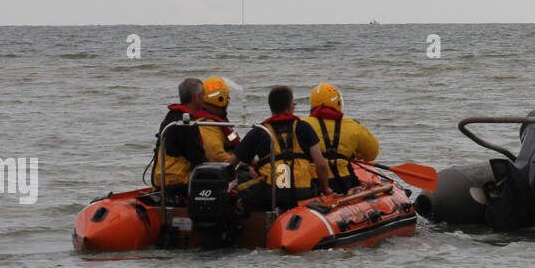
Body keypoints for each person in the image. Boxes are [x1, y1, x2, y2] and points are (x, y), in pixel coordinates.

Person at [229, 86, 332, 214]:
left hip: (271, 194)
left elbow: (231, 164)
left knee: (241, 183)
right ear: (290, 107)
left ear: (271, 107)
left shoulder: (259, 132)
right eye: (294, 103)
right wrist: (325, 188)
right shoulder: (303, 127)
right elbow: (321, 165)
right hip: (303, 192)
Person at [149, 76, 237, 202]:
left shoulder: (172, 116)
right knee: (227, 182)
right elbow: (197, 158)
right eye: (203, 95)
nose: (204, 98)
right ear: (196, 98)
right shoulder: (187, 124)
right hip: (177, 179)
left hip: (163, 176)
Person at [302, 82, 380, 194]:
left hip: (312, 182)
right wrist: (353, 153)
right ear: (337, 102)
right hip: (344, 182)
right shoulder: (353, 126)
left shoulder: (302, 124)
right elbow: (372, 154)